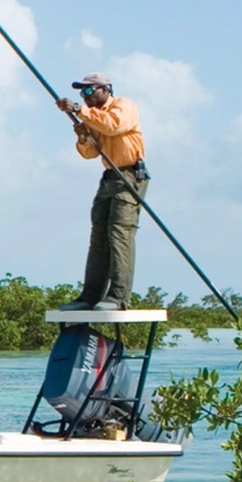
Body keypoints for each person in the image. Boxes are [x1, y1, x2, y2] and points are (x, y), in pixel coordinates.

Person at [57, 72, 147, 310]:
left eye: (89, 91)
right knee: (98, 238)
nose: (85, 96)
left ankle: (118, 298)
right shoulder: (92, 117)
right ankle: (90, 297)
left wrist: (78, 109)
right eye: (81, 93)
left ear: (105, 89)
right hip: (109, 177)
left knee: (119, 233)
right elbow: (90, 154)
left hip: (129, 175)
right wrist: (83, 138)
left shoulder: (123, 106)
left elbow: (113, 126)